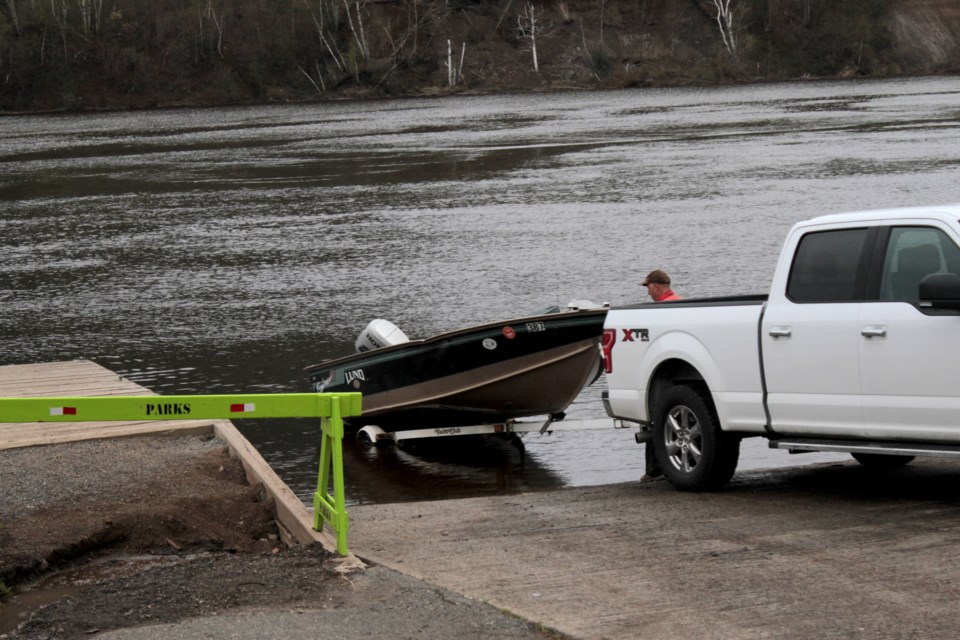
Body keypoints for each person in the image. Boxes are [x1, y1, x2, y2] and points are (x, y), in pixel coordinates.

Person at [640, 269, 682, 480]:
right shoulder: (680, 303)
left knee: (655, 418)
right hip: (681, 373)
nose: (647, 292)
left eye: (647, 287)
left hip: (663, 373)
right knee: (673, 419)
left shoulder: (660, 309)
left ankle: (654, 470)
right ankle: (671, 464)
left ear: (655, 286)